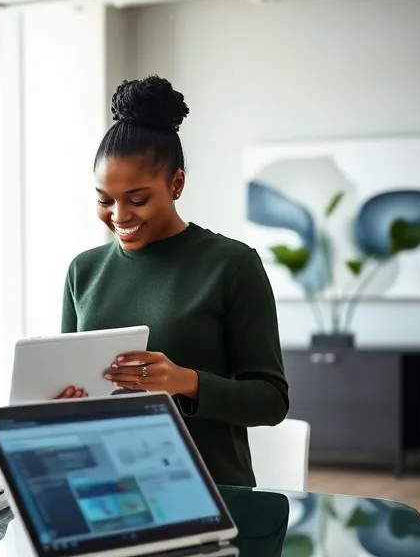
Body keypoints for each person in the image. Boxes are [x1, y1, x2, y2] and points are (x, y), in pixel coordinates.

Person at [59, 75, 288, 488]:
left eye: (138, 199)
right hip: (104, 491)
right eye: (104, 199)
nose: (119, 216)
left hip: (213, 494)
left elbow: (271, 401)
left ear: (177, 184)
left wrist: (185, 381)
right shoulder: (83, 271)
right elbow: (68, 389)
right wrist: (61, 405)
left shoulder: (231, 265)